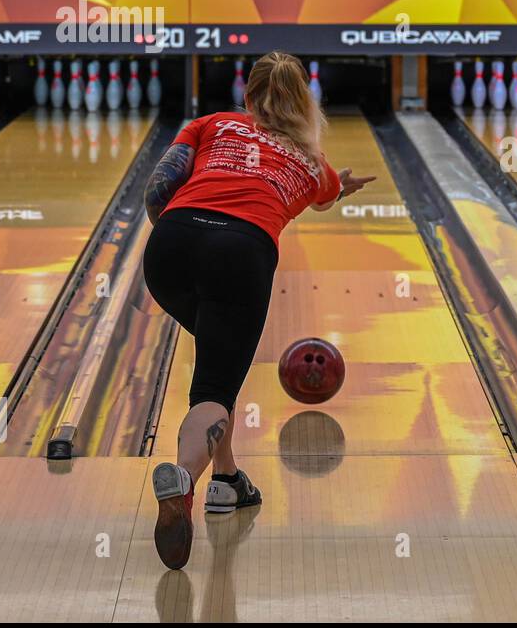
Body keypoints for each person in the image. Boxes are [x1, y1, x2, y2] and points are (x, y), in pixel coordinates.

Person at [141, 51, 375, 570]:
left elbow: (157, 189)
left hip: (169, 247)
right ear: (304, 103)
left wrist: (183, 239)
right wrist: (345, 184)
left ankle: (226, 482)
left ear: (248, 95)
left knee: (216, 366)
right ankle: (183, 476)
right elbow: (328, 195)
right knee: (214, 392)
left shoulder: (211, 123)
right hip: (240, 254)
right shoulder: (314, 163)